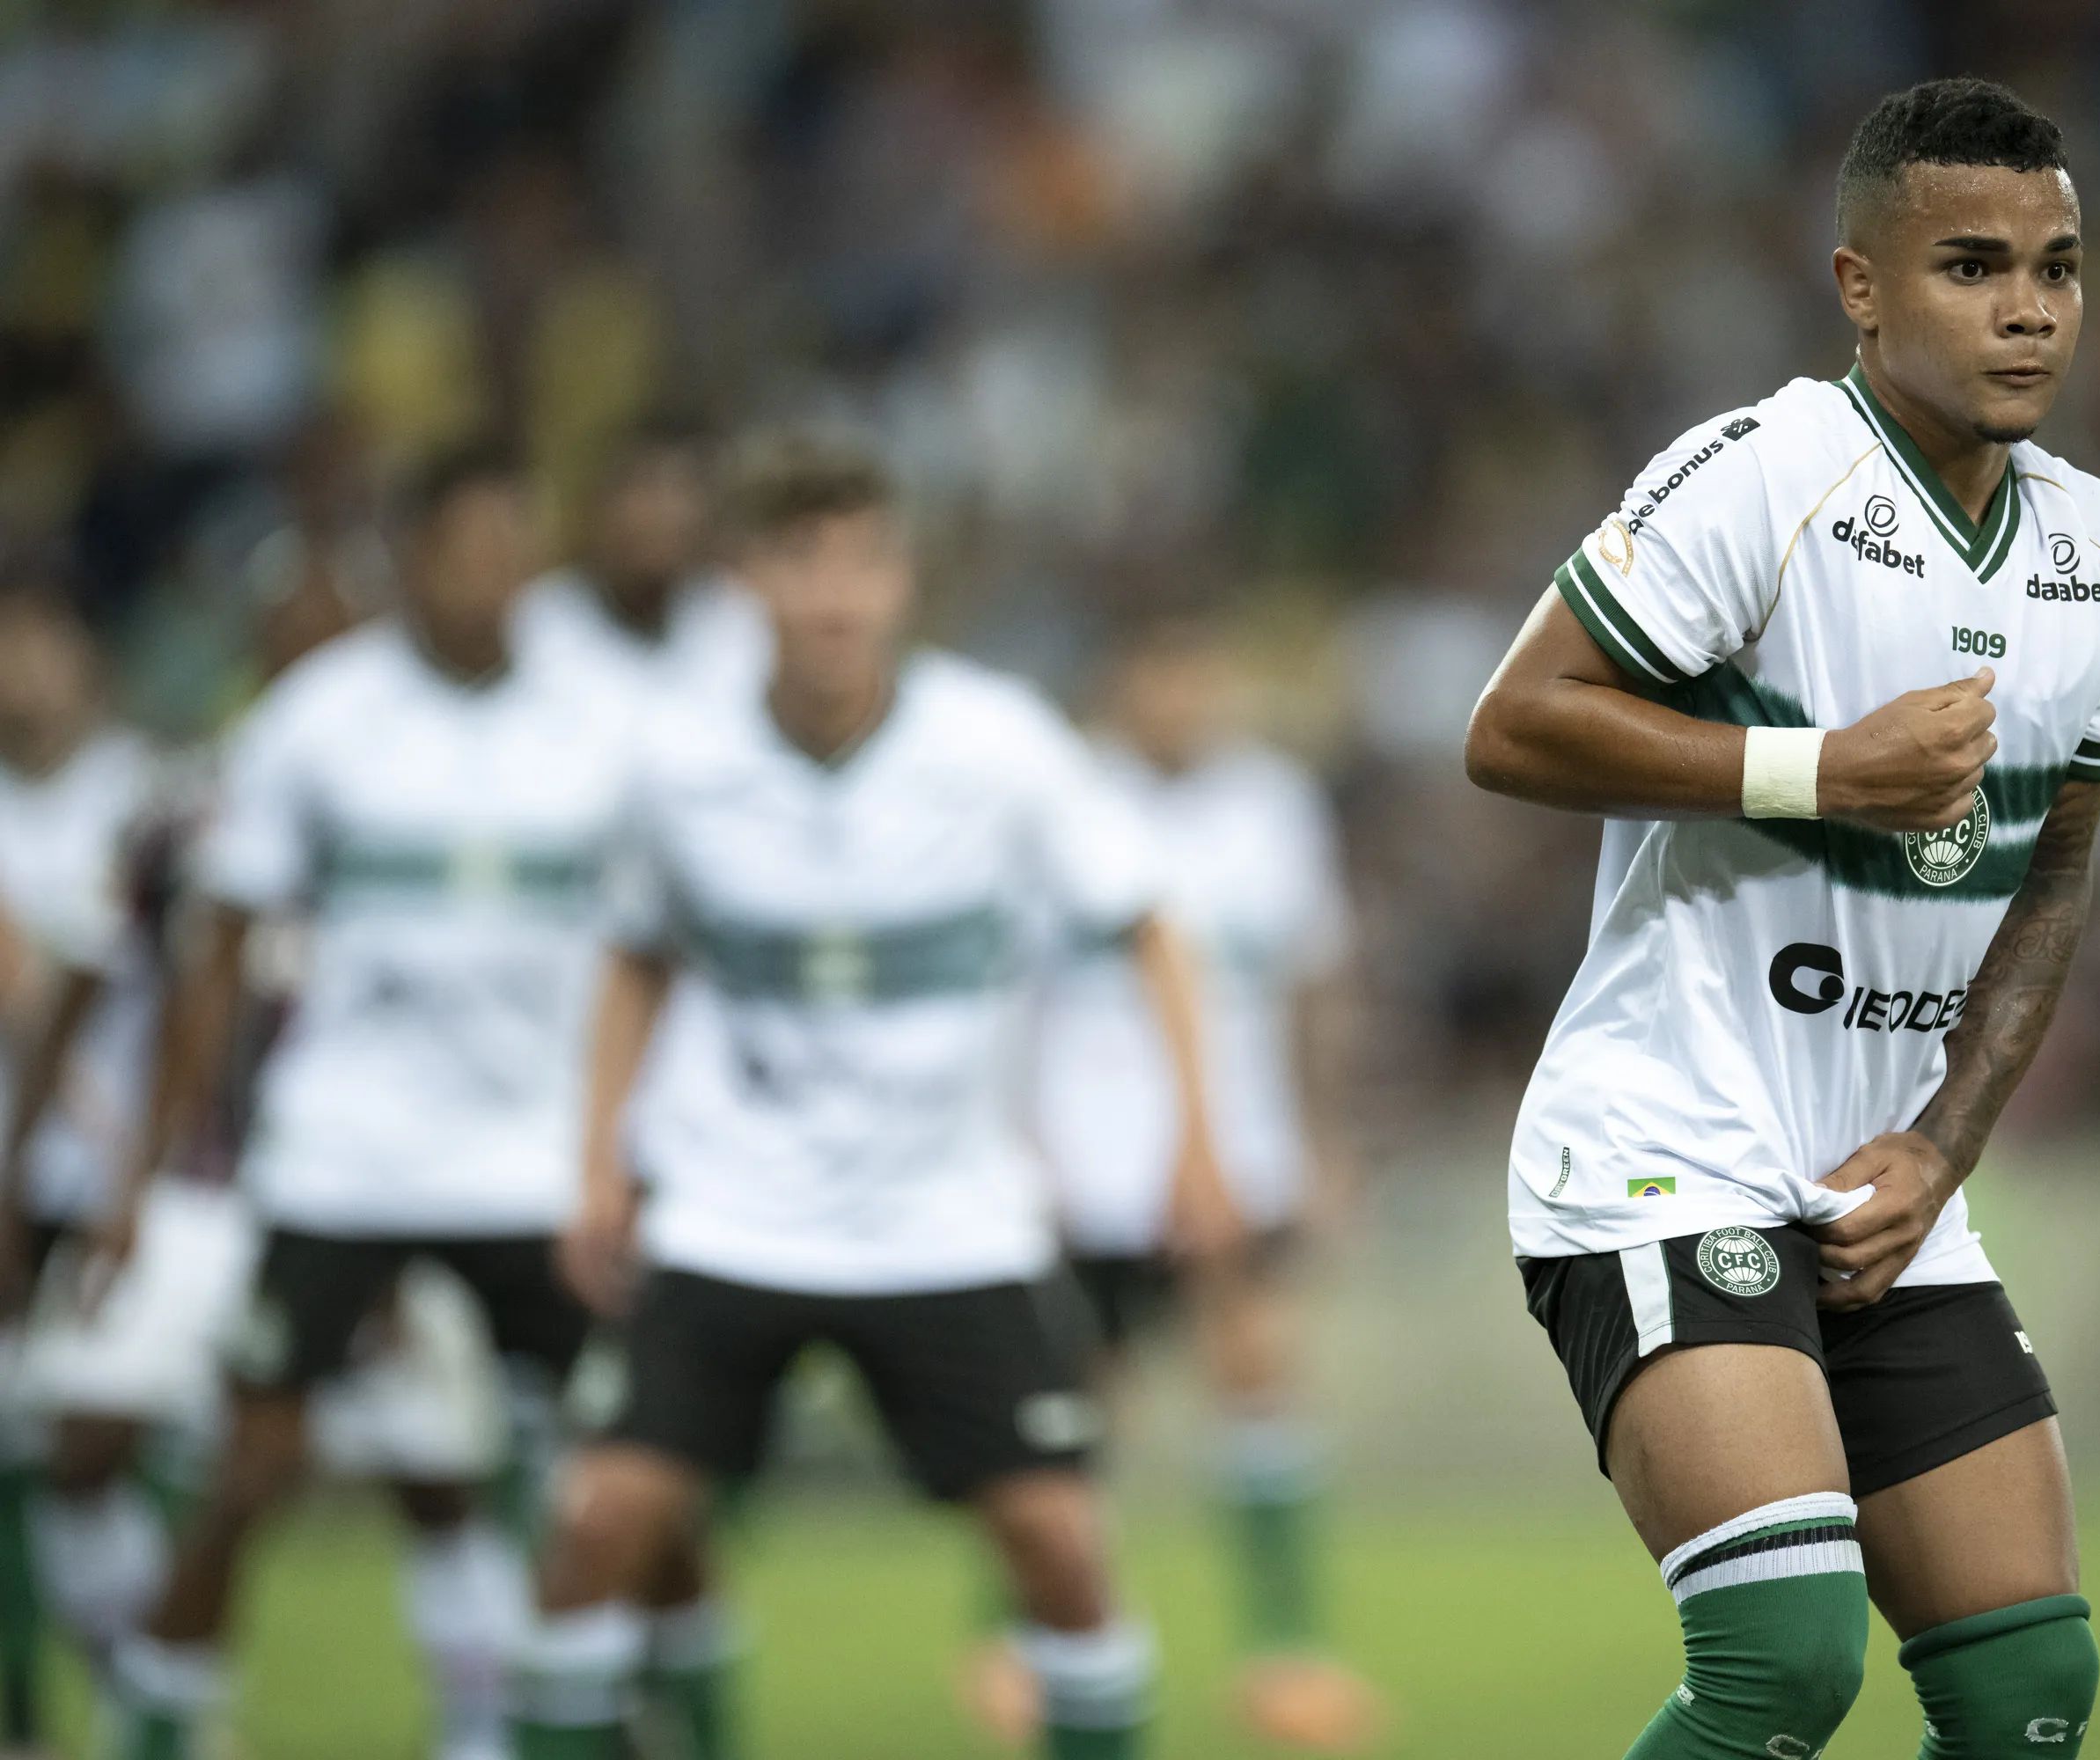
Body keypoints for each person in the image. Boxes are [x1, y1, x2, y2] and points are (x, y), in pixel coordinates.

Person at [1463, 79, 2100, 1759]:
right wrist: (1822, 773)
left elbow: (2055, 866)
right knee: (1782, 1660)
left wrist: (1947, 1145)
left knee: (2026, 1699)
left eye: (2058, 268)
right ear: (1861, 285)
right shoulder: (1761, 475)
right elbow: (1512, 728)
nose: (2026, 307)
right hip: (1664, 1144)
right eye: (1974, 265)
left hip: (1879, 1181)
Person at [510, 430, 1232, 1760]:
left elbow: (1150, 923)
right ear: (745, 583)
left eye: (860, 561)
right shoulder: (679, 765)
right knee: (600, 1522)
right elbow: (634, 956)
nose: (833, 595)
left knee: (1061, 1544)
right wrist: (599, 1163)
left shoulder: (997, 744)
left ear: (903, 580)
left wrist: (1197, 1139)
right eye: (800, 561)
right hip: (736, 1207)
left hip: (948, 1216)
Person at [98, 444, 639, 1760]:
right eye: (465, 551)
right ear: (410, 564)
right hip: (348, 1161)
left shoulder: (600, 729)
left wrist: (628, 1147)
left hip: (531, 1165)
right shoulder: (321, 719)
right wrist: (146, 1174)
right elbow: (220, 952)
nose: (493, 577)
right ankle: (156, 1727)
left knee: (618, 1483)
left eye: (514, 548)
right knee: (253, 1475)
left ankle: (584, 1727)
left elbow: (646, 954)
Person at [986, 616, 1380, 1749]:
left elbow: (1312, 979)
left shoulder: (1272, 803)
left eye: (1202, 669)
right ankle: (1027, 1640)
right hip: (1090, 1150)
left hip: (1242, 1148)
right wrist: (1015, 1140)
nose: (1185, 695)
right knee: (1075, 1402)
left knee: (1259, 1373)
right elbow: (1005, 988)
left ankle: (1286, 1655)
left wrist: (1321, 1133)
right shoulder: (1064, 798)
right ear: (1122, 681)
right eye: (1160, 670)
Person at [0, 581, 177, 1760]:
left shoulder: (152, 800)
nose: (18, 666)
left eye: (36, 637)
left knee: (102, 1445)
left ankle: (150, 1692)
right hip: (16, 1171)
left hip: (126, 1175)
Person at [512, 421, 765, 701]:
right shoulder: (536, 624)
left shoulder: (736, 623)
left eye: (677, 492)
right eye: (641, 490)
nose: (657, 514)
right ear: (597, 507)